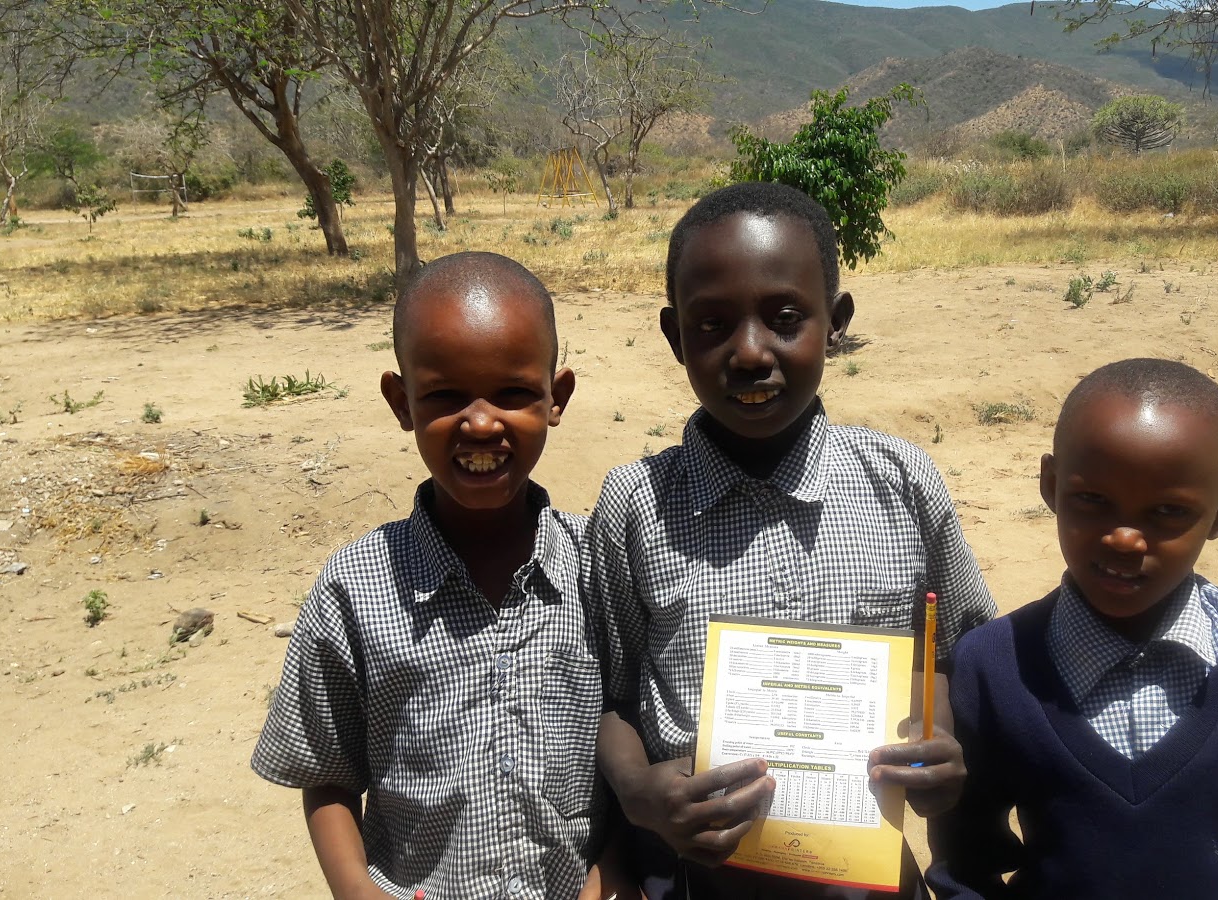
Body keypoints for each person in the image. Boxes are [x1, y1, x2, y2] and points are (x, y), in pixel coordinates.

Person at [585, 181, 998, 899]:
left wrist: (938, 741)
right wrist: (639, 791)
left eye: (784, 319)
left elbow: (950, 653)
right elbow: (611, 694)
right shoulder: (635, 506)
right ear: (675, 336)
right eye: (712, 325)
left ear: (835, 323)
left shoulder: (902, 484)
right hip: (694, 878)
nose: (750, 353)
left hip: (865, 878)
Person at [928, 358, 1218, 899]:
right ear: (1050, 485)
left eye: (1168, 512)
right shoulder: (994, 665)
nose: (1124, 539)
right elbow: (964, 863)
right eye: (1092, 500)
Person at [251, 252, 619, 899]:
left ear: (556, 397)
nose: (481, 422)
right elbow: (328, 773)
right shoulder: (355, 589)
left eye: (513, 394)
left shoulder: (600, 566)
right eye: (445, 397)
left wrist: (610, 874)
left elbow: (634, 746)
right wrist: (357, 892)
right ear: (402, 402)